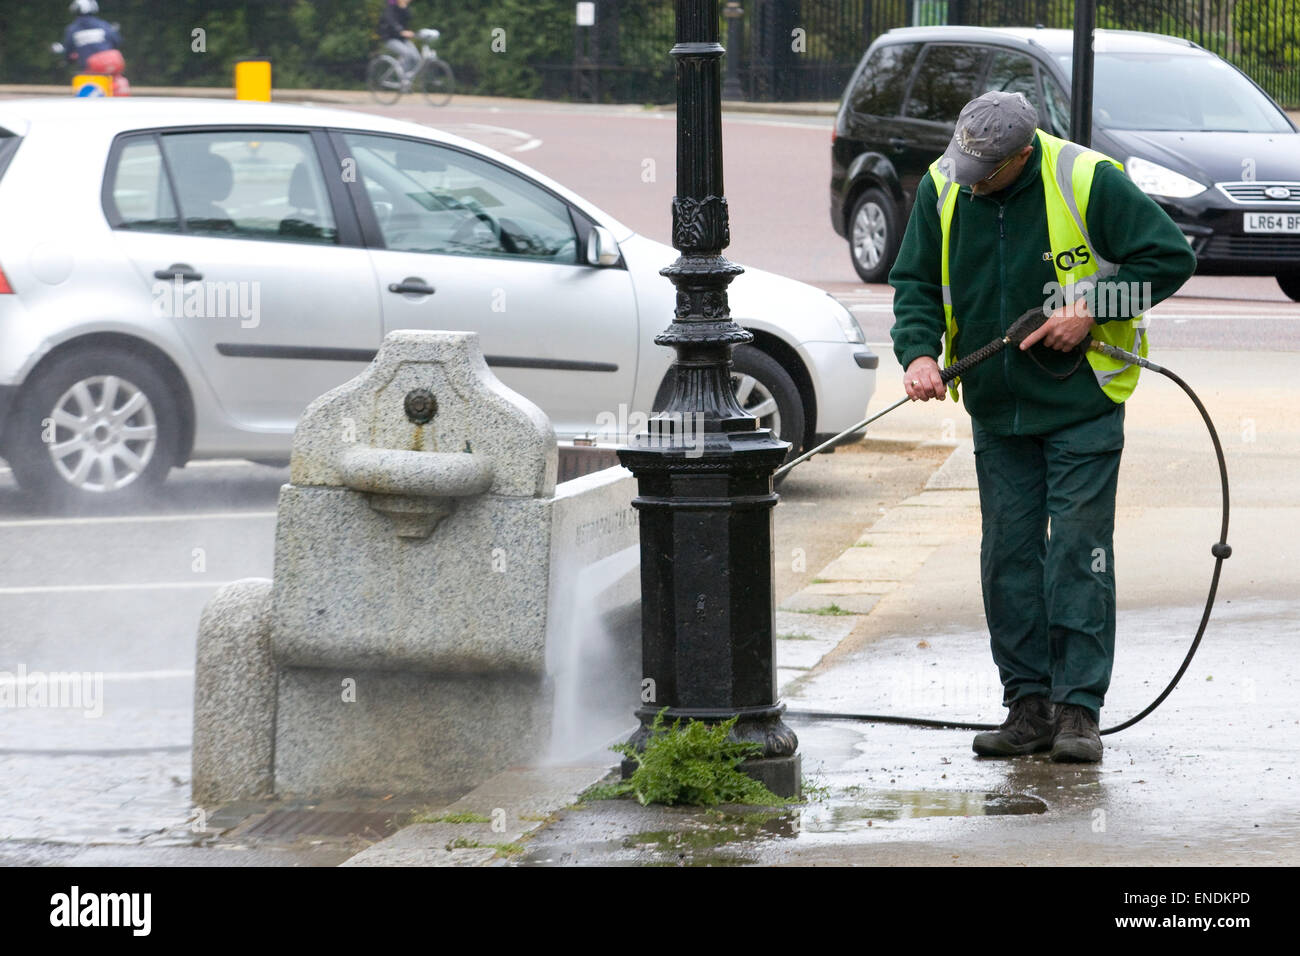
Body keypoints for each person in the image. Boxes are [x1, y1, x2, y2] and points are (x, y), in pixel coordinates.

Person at [888, 91, 1197, 763]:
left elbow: (1170, 258)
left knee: (1076, 553)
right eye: (963, 166)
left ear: (1022, 156)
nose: (968, 183)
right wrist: (917, 351)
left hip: (1080, 402)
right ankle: (1027, 707)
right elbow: (914, 282)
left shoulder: (1087, 179)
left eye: (985, 172)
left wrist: (1094, 305)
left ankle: (1079, 711)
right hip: (997, 408)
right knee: (1008, 557)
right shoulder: (945, 183)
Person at [63, 0, 129, 96]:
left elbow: (68, 51)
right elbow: (117, 41)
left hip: (89, 70)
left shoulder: (72, 29)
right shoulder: (104, 25)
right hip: (112, 66)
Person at [378, 0, 419, 76]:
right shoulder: (390, 6)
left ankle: (408, 76)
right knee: (407, 54)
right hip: (390, 38)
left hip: (402, 38)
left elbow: (409, 17)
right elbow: (390, 20)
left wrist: (404, 7)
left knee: (416, 57)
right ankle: (403, 79)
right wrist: (400, 31)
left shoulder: (404, 7)